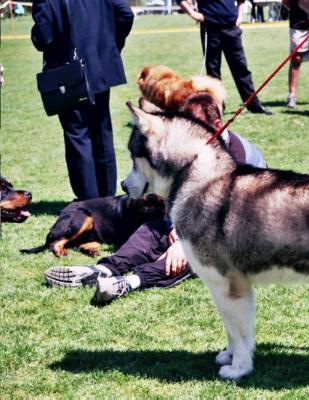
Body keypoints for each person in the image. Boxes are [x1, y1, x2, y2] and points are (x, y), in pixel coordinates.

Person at [44, 97, 267, 304]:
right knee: (151, 228)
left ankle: (127, 283)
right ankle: (103, 271)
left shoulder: (243, 159)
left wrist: (183, 242)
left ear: (218, 125)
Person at [31, 0, 134, 201]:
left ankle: (88, 201)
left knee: (78, 135)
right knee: (102, 132)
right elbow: (125, 13)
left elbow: (44, 36)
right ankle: (106, 197)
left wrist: (35, 35)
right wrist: (111, 44)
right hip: (100, 66)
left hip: (68, 72)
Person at [176, 0, 272, 114]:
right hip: (210, 29)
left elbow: (241, 1)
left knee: (241, 68)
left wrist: (240, 16)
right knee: (213, 71)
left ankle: (254, 105)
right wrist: (193, 14)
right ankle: (217, 107)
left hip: (231, 28)